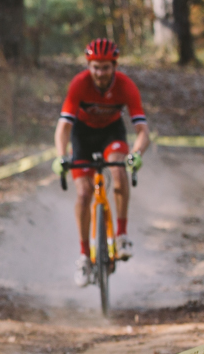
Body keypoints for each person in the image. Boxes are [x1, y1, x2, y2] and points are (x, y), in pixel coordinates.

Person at [53, 38, 150, 287]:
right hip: (83, 136)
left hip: (111, 134)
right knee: (84, 194)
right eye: (95, 67)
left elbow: (142, 131)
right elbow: (64, 127)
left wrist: (136, 154)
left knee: (118, 170)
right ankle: (84, 257)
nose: (100, 73)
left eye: (106, 67)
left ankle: (122, 235)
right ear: (89, 66)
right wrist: (61, 156)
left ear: (115, 66)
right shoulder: (79, 84)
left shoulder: (126, 86)